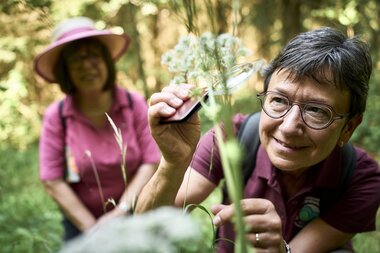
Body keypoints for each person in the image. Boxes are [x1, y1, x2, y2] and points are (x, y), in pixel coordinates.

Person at [135, 27, 380, 253]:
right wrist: (172, 162)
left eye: (316, 111)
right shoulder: (231, 137)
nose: (288, 127)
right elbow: (146, 228)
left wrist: (281, 250)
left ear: (348, 128)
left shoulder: (362, 179)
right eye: (279, 101)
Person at [35, 16, 160, 241]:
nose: (87, 65)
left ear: (106, 61)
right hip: (82, 222)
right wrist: (94, 230)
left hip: (135, 211)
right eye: (76, 59)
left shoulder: (134, 104)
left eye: (94, 55)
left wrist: (121, 211)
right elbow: (52, 180)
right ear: (65, 70)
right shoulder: (57, 116)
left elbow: (150, 162)